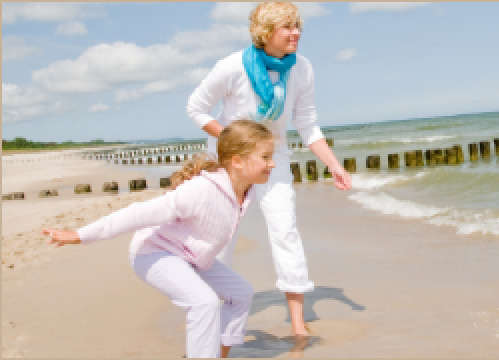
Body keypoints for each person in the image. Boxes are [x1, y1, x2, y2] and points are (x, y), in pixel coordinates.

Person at [186, 2, 352, 339]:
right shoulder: (231, 67)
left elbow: (307, 124)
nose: (296, 33)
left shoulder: (302, 69)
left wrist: (334, 166)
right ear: (266, 33)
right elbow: (196, 108)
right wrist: (235, 141)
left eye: (297, 25)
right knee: (222, 239)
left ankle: (298, 324)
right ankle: (212, 317)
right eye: (287, 27)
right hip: (229, 165)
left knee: (285, 233)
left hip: (273, 162)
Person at [42, 120, 276, 358]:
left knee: (242, 293)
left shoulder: (248, 191)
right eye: (265, 157)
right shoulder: (200, 191)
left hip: (192, 257)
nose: (272, 163)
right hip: (155, 253)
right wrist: (81, 235)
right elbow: (138, 213)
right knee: (204, 302)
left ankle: (219, 353)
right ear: (237, 161)